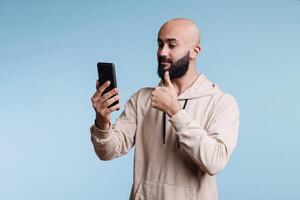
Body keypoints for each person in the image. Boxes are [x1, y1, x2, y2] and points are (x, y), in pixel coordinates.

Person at [90, 18, 240, 200]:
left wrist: (175, 112)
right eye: (160, 44)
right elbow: (107, 151)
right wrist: (102, 120)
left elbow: (214, 162)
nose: (162, 52)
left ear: (195, 51)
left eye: (172, 45)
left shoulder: (221, 102)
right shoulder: (142, 98)